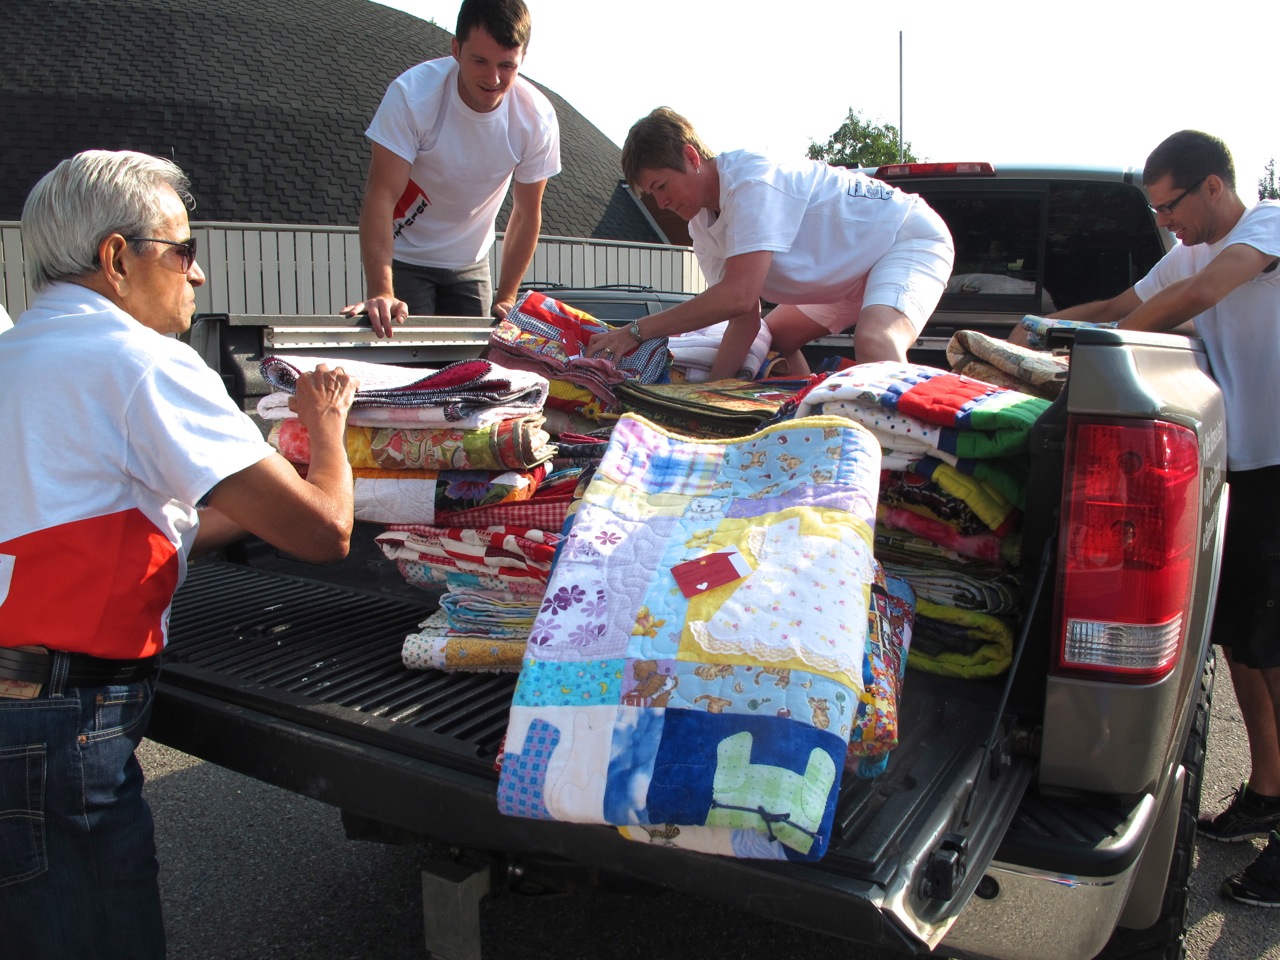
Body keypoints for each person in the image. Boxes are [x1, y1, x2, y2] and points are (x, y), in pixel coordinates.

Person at [0, 150, 360, 958]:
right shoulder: (141, 362)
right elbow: (323, 532)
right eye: (184, 251)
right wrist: (328, 431)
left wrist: (259, 492)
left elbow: (149, 516)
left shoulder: (18, 356)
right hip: (61, 724)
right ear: (117, 258)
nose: (198, 278)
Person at [1047, 130, 1280, 907]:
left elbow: (1195, 300)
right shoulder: (1187, 255)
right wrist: (1038, 333)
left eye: (1171, 206)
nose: (1167, 223)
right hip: (1238, 466)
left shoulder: (1266, 228)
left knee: (1278, 649)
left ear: (1214, 186)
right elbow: (1125, 305)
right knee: (1245, 646)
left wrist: (1103, 343)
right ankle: (1268, 790)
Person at [583, 107, 954, 377]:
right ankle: (800, 422)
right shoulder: (701, 225)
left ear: (691, 156)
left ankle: (915, 457)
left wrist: (635, 331)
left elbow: (740, 294)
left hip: (904, 237)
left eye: (661, 186)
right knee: (770, 340)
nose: (661, 202)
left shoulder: (751, 181)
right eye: (651, 195)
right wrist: (707, 396)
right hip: (850, 273)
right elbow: (744, 320)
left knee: (874, 341)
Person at [340, 0, 560, 336]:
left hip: (470, 264)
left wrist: (507, 295)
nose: (493, 78)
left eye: (507, 65)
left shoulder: (536, 118)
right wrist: (382, 291)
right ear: (456, 49)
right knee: (409, 369)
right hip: (406, 256)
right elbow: (381, 195)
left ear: (523, 58)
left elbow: (527, 213)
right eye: (480, 61)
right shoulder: (412, 96)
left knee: (474, 371)